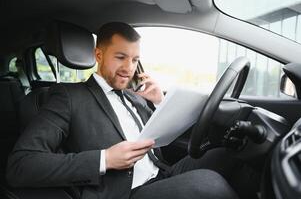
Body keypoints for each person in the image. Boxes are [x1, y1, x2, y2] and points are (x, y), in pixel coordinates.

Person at [6, 22, 238, 199]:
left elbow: (159, 140)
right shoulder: (67, 97)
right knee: (210, 184)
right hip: (126, 193)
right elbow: (20, 165)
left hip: (162, 173)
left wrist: (159, 103)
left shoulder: (133, 96)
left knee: (231, 153)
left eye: (135, 59)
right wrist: (104, 159)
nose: (129, 68)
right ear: (99, 55)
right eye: (120, 57)